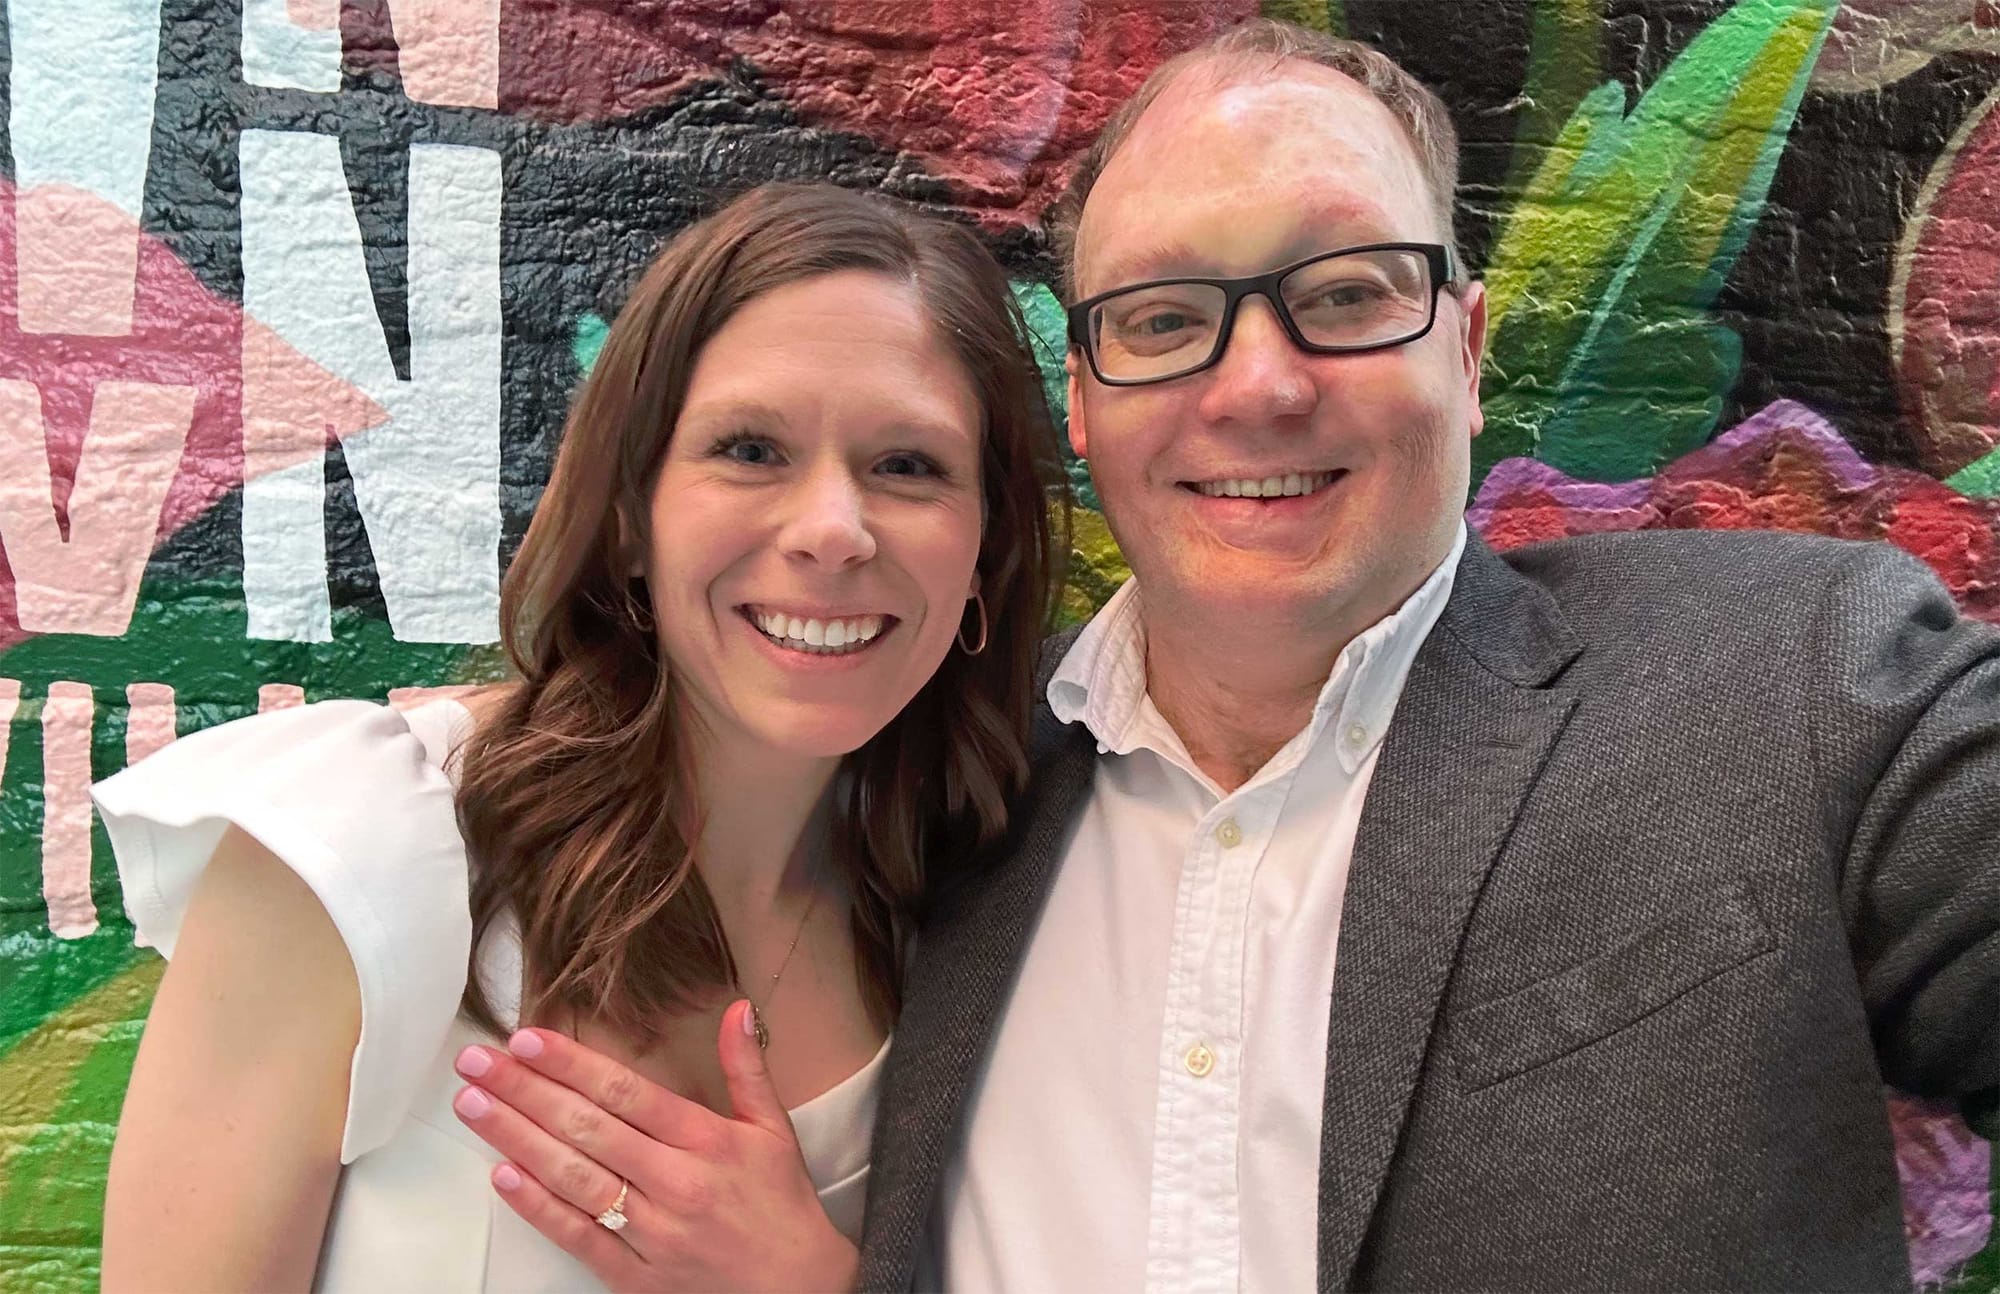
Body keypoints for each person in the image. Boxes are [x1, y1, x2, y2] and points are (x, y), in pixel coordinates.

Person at [455, 17, 2000, 1291]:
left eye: (1344, 296)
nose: (1256, 384)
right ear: (1081, 400)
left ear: (1463, 353)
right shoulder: (929, 797)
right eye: (1166, 315)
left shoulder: (1794, 689)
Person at [89, 181, 1065, 1293]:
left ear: (981, 550)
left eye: (908, 466)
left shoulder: (968, 906)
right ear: (630, 514)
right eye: (749, 449)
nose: (832, 530)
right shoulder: (359, 846)